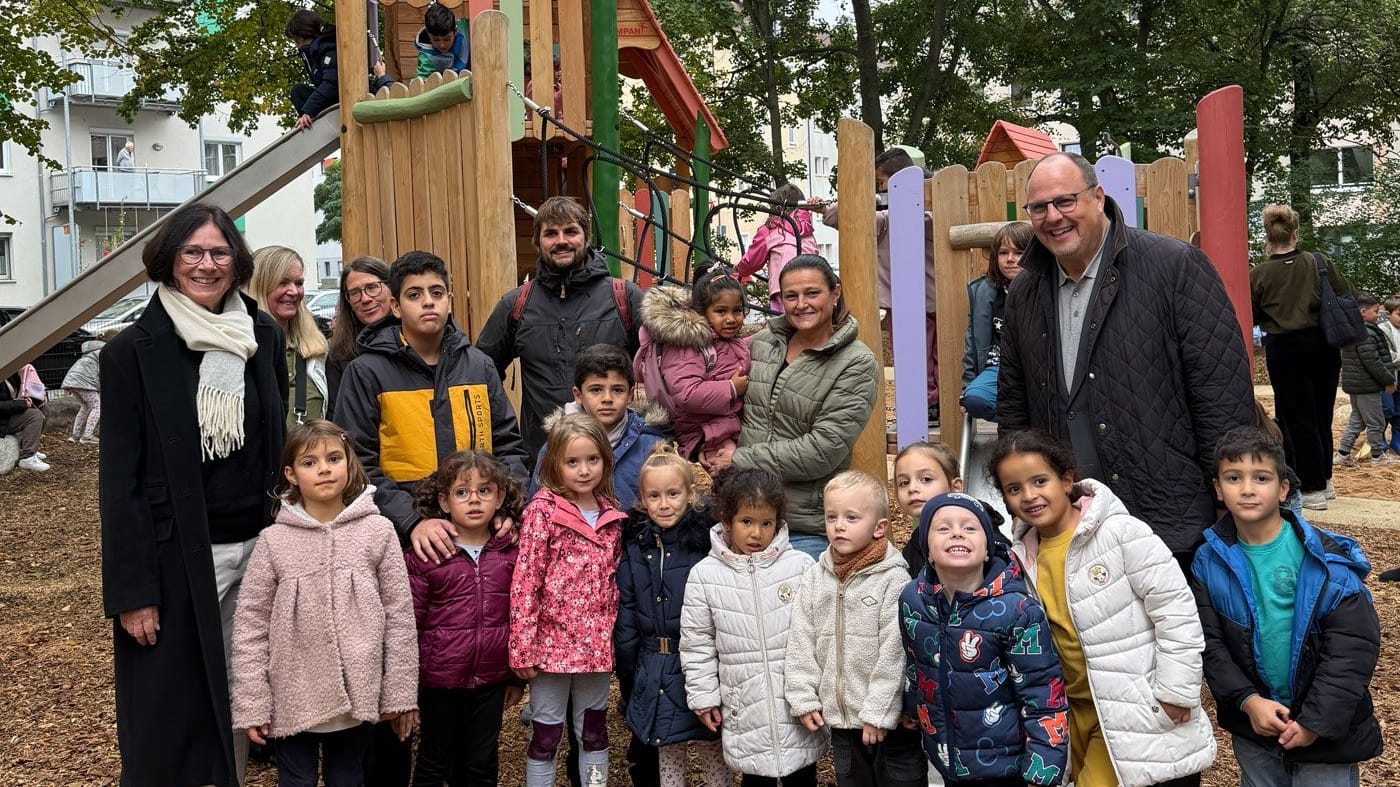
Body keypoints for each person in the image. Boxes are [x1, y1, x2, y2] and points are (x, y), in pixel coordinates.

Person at [100, 202, 288, 786]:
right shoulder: (131, 352)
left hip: (258, 544)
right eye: (192, 252)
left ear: (236, 261)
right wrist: (133, 591)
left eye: (219, 252)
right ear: (169, 259)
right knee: (170, 709)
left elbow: (274, 442)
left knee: (242, 689)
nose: (206, 265)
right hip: (176, 554)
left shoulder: (261, 335)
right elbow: (119, 482)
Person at [997, 151, 1253, 566]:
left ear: (1098, 197)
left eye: (1066, 201)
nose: (1053, 216)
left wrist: (1230, 491)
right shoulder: (1025, 292)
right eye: (1039, 207)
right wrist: (1019, 493)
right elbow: (1014, 403)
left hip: (1168, 514)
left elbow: (1220, 391)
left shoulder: (1173, 267)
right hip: (1067, 520)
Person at [989, 430, 1216, 787]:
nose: (1029, 495)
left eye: (1040, 481)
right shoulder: (1019, 557)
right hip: (1069, 708)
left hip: (1130, 703)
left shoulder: (1120, 534)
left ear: (1066, 480)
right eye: (1014, 488)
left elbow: (1176, 611)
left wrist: (1176, 690)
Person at [230, 420, 418, 787]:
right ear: (291, 473)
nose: (324, 469)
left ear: (349, 464)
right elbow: (250, 625)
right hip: (292, 695)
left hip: (356, 696)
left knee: (348, 777)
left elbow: (399, 617)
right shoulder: (273, 542)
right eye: (310, 462)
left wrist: (399, 691)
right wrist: (253, 700)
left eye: (333, 458)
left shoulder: (377, 532)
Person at [1192, 426, 1382, 785]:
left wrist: (1315, 721)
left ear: (1282, 489)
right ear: (1218, 488)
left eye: (1260, 477)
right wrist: (1247, 701)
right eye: (1234, 477)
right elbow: (1210, 643)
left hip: (1325, 734)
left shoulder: (1326, 562)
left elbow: (1353, 648)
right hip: (1256, 726)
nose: (1247, 489)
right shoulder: (1208, 561)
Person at [337, 250, 529, 557]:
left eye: (436, 292)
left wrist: (508, 508)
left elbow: (508, 446)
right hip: (404, 541)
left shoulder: (479, 366)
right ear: (396, 307)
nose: (428, 301)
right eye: (415, 294)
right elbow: (356, 462)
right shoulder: (366, 372)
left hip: (482, 535)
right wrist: (412, 521)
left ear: (449, 300)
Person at [709, 255, 879, 560]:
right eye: (791, 296)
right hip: (744, 510)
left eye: (812, 293)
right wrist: (708, 442)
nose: (801, 304)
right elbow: (723, 399)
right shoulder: (762, 344)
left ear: (835, 293)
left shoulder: (855, 363)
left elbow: (823, 450)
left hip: (802, 522)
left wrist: (741, 458)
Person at [900, 492, 1068, 787]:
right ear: (928, 551)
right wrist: (912, 706)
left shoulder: (1018, 612)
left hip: (1005, 767)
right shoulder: (912, 600)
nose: (956, 533)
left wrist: (1043, 768)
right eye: (943, 528)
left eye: (969, 528)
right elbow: (916, 661)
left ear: (988, 549)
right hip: (948, 758)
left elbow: (1044, 692)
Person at [680, 467, 823, 785]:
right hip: (743, 702)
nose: (757, 534)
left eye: (766, 523)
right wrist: (704, 696)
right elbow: (697, 642)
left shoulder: (799, 567)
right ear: (727, 521)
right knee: (755, 776)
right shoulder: (705, 575)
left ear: (778, 522)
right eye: (747, 522)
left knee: (803, 774)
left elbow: (818, 631)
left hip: (795, 704)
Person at [477, 195, 644, 462]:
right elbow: (480, 372)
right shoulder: (516, 305)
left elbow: (667, 367)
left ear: (586, 238)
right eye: (551, 233)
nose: (561, 241)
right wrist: (506, 438)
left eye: (570, 231)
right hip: (543, 459)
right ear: (537, 242)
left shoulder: (624, 298)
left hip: (618, 458)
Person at [784, 471, 922, 787]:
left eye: (851, 517)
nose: (839, 525)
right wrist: (803, 698)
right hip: (842, 722)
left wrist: (878, 713)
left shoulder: (894, 580)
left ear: (879, 528)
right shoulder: (815, 577)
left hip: (889, 722)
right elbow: (802, 640)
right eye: (831, 516)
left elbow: (895, 652)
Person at [511, 413, 627, 786]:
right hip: (550, 647)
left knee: (593, 731)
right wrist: (522, 646)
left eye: (592, 460)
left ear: (605, 461)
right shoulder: (542, 512)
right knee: (546, 735)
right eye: (572, 462)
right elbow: (526, 581)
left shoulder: (611, 512)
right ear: (554, 464)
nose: (583, 470)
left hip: (594, 648)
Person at [407, 449, 525, 787]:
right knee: (434, 760)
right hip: (438, 682)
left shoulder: (511, 554)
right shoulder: (426, 555)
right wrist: (405, 684)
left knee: (481, 762)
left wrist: (516, 677)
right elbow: (409, 623)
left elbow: (520, 619)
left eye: (484, 491)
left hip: (490, 681)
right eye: (462, 492)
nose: (474, 500)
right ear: (444, 501)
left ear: (500, 496)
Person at [615, 444, 728, 787]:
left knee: (712, 747)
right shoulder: (636, 545)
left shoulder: (707, 544)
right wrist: (628, 668)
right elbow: (628, 611)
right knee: (667, 750)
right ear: (642, 499)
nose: (664, 504)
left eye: (673, 493)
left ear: (690, 494)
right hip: (654, 661)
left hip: (700, 663)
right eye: (654, 496)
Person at [820, 148, 939, 421]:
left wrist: (846, 204)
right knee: (931, 356)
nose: (880, 189)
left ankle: (927, 404)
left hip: (914, 300)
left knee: (918, 356)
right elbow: (847, 218)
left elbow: (850, 217)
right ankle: (933, 403)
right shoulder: (923, 216)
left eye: (882, 183)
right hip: (931, 298)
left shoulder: (896, 219)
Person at [1249, 203, 1353, 510]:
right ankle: (1325, 478)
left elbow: (1251, 314)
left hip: (1285, 347)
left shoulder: (1259, 274)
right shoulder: (1317, 261)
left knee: (1296, 418)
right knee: (1322, 413)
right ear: (1296, 233)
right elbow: (1344, 292)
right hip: (1324, 343)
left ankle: (1311, 487)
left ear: (1267, 236)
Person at [633, 266, 751, 468]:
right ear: (702, 313)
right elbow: (686, 393)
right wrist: (730, 388)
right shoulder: (688, 346)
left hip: (723, 427)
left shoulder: (725, 341)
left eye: (737, 311)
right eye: (721, 311)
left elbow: (736, 352)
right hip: (705, 433)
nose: (731, 319)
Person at [530, 343, 669, 510]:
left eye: (617, 390)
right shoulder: (554, 449)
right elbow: (536, 512)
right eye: (596, 390)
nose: (607, 398)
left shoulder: (652, 447)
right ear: (578, 395)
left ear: (630, 395)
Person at [250, 245, 329, 429]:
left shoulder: (317, 351)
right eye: (283, 282)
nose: (294, 291)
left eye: (299, 283)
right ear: (260, 285)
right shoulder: (241, 349)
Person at [961, 221, 1031, 420]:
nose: (1010, 259)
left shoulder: (1045, 288)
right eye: (1003, 253)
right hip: (998, 367)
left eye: (1019, 253)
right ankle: (1017, 419)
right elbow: (972, 345)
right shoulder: (986, 293)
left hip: (1035, 371)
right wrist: (968, 385)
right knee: (973, 401)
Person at [285, 9, 391, 131]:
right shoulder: (312, 53)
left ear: (301, 38)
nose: (295, 44)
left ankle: (309, 117)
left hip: (350, 97)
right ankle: (308, 119)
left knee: (307, 96)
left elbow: (332, 83)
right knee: (298, 91)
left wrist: (308, 110)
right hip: (336, 97)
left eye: (295, 39)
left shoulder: (329, 48)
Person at [1333, 292, 1398, 467]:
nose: (1379, 315)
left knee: (1357, 420)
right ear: (1363, 311)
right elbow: (1372, 361)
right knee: (1377, 422)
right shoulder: (1365, 333)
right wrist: (1388, 379)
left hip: (1358, 384)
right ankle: (1378, 456)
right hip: (1366, 385)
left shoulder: (1355, 330)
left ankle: (1344, 453)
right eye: (1376, 311)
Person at [326, 255, 392, 421]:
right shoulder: (340, 355)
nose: (365, 298)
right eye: (355, 293)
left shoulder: (415, 341)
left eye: (372, 287)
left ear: (391, 287)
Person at [735, 184, 818, 312]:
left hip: (784, 287)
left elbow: (753, 260)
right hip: (812, 285)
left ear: (775, 207)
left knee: (783, 324)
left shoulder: (771, 229)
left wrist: (739, 270)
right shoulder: (807, 229)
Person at [0, 369, 48, 472]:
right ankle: (27, 457)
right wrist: (21, 404)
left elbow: (17, 392)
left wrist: (34, 398)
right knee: (34, 416)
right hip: (2, 419)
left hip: (7, 414)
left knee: (43, 409)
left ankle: (28, 448)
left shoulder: (9, 372)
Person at [62, 335, 107, 444]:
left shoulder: (89, 352)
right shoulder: (102, 352)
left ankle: (75, 436)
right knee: (97, 406)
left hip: (73, 380)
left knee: (85, 407)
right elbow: (102, 371)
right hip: (84, 383)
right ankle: (87, 436)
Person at [415, 3, 470, 77]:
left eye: (447, 39)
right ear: (428, 35)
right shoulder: (427, 57)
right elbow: (421, 79)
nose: (442, 45)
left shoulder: (465, 30)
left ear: (455, 31)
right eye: (436, 40)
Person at [1379, 294, 1400, 454]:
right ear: (1388, 314)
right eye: (1399, 314)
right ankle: (1379, 438)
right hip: (1387, 376)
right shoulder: (1382, 331)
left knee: (1399, 409)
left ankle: (1396, 439)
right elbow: (1387, 355)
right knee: (1387, 408)